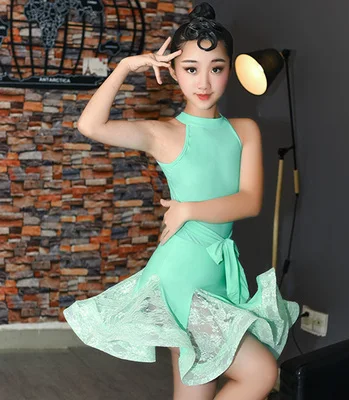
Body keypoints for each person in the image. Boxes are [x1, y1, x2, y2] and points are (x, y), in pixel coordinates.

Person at [63, 2, 300, 399]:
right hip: (180, 278)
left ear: (229, 70)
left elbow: (249, 202)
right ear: (173, 71)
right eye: (191, 69)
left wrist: (188, 209)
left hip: (218, 278)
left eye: (216, 68)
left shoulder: (245, 130)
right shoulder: (164, 133)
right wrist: (126, 66)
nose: (203, 81)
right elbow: (90, 125)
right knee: (260, 372)